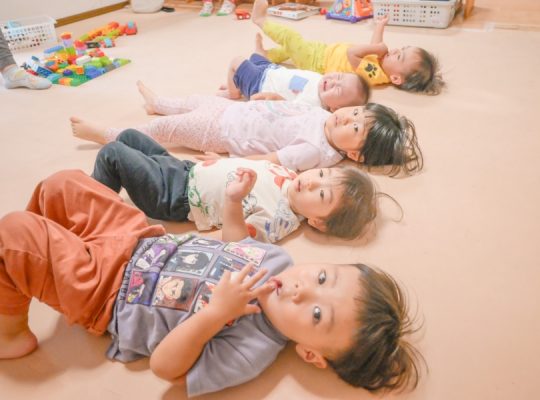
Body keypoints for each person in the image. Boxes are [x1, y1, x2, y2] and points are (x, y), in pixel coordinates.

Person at [0, 169, 423, 396]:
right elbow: (235, 242)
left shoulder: (251, 349)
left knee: (15, 236)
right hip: (138, 238)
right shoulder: (279, 261)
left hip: (108, 294)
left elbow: (166, 368)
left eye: (316, 313)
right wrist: (234, 202)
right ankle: (35, 270)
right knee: (62, 184)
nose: (302, 288)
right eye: (323, 276)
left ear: (310, 353)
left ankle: (11, 330)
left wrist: (216, 314)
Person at [71, 81, 422, 175]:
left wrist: (223, 163)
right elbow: (295, 110)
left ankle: (107, 135)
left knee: (168, 129)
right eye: (356, 112)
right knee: (192, 99)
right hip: (234, 110)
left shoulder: (315, 151)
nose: (347, 118)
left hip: (220, 132)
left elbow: (270, 161)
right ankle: (158, 102)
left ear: (354, 155)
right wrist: (274, 98)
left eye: (356, 128)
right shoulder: (326, 117)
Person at [89, 129, 378, 243]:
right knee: (129, 136)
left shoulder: (278, 219)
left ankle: (89, 210)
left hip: (175, 196)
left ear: (318, 222)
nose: (313, 181)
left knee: (113, 153)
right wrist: (222, 161)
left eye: (322, 193)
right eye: (323, 174)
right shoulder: (290, 175)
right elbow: (255, 165)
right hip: (185, 169)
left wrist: (235, 201)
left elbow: (235, 241)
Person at [251, 0, 445, 95]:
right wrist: (380, 26)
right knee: (289, 51)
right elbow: (375, 45)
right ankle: (266, 56)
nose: (394, 51)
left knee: (291, 38)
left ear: (395, 78)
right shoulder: (381, 64)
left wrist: (378, 49)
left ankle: (260, 20)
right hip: (323, 51)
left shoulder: (375, 75)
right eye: (401, 49)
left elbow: (352, 53)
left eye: (399, 56)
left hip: (317, 63)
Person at [218, 33, 371, 110]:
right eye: (338, 76)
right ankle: (258, 55)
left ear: (334, 108)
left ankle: (234, 93)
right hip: (272, 71)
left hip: (260, 85)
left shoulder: (312, 104)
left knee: (236, 61)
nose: (333, 82)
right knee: (256, 57)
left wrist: (276, 99)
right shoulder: (321, 80)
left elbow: (288, 108)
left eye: (337, 90)